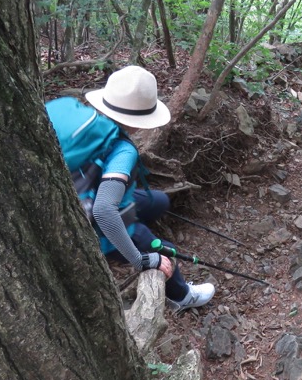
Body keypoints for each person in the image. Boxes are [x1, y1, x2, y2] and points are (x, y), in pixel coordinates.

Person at [83, 65, 215, 311]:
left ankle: (138, 226)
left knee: (160, 201)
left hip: (90, 193)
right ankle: (182, 296)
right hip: (93, 216)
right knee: (166, 250)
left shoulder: (88, 123)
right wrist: (141, 259)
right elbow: (103, 210)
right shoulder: (123, 150)